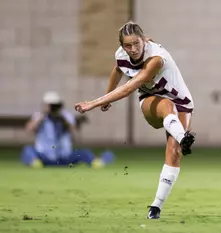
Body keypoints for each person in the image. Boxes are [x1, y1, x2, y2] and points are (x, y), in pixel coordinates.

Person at [74, 21, 195, 220]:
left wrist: (93, 103)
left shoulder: (156, 58)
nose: (133, 49)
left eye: (136, 44)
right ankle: (184, 137)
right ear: (122, 46)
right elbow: (118, 71)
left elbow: (130, 87)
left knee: (174, 153)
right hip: (152, 101)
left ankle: (155, 207)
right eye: (127, 46)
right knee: (166, 106)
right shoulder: (122, 55)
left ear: (144, 40)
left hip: (182, 103)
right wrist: (106, 97)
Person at [21, 91, 114, 168]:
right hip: (44, 156)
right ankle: (35, 163)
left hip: (64, 156)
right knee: (28, 150)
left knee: (83, 152)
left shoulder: (66, 116)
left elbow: (75, 134)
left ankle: (95, 162)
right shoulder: (39, 116)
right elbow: (29, 130)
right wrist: (43, 116)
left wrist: (62, 119)